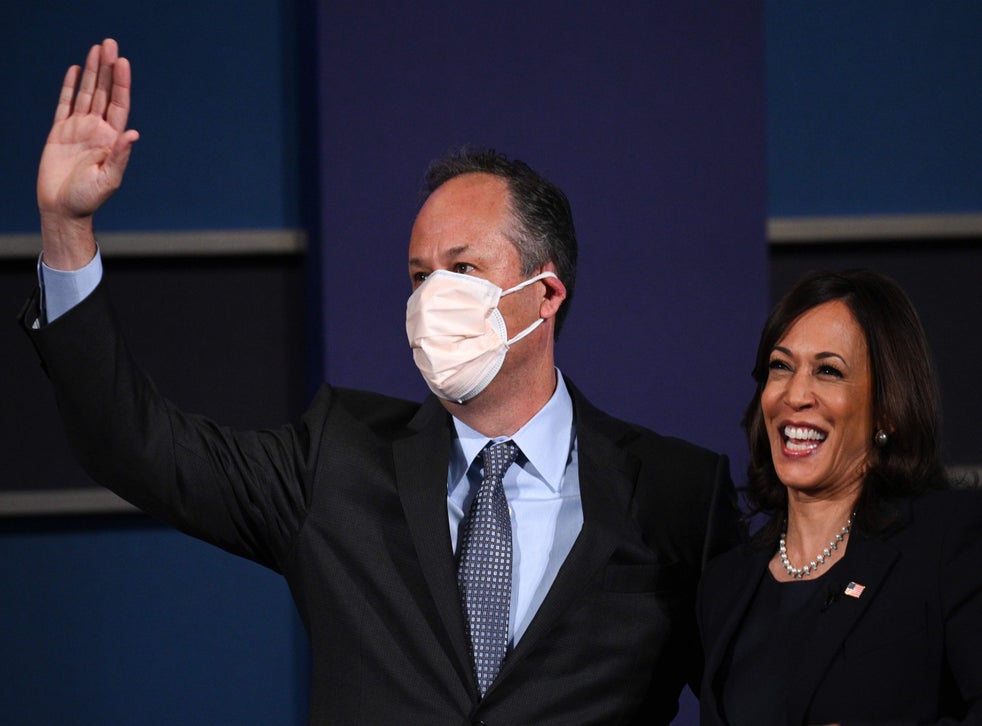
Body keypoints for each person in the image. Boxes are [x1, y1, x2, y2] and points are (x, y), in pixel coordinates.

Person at [23, 39, 741, 723]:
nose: (434, 298)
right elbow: (133, 444)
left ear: (546, 293)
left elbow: (749, 692)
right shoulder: (334, 461)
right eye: (419, 277)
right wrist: (65, 228)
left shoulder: (676, 494)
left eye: (463, 270)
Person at [697, 269, 982, 725]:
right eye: (780, 366)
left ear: (888, 407)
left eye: (828, 371)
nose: (796, 394)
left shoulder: (948, 543)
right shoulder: (725, 586)